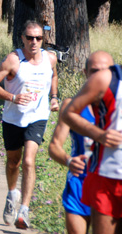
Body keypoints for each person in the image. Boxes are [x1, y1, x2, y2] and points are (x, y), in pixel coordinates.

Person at [0, 20, 59, 229]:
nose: (34, 42)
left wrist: (54, 97)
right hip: (13, 118)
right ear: (22, 38)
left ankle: (24, 210)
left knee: (28, 161)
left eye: (38, 38)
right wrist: (12, 97)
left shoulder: (50, 58)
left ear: (42, 39)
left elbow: (53, 76)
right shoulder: (13, 60)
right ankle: (11, 194)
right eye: (30, 38)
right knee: (13, 162)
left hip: (38, 117)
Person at [49, 51, 114, 234]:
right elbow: (54, 146)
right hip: (79, 185)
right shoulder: (72, 106)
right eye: (94, 71)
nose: (100, 76)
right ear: (85, 73)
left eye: (106, 71)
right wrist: (69, 161)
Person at [62, 55, 122, 234]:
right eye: (93, 70)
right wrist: (100, 135)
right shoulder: (108, 79)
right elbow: (67, 114)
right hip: (106, 177)